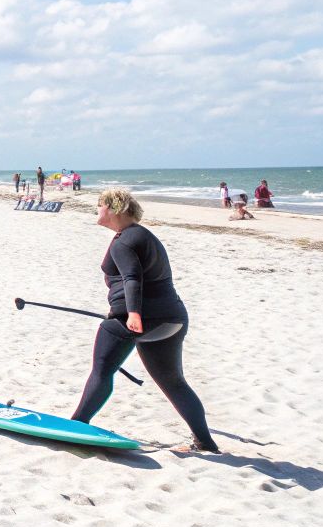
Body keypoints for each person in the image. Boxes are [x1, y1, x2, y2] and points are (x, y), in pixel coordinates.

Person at [70, 189, 219, 453]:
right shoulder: (141, 235)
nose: (97, 209)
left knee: (102, 370)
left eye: (100, 205)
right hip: (172, 318)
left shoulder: (124, 241)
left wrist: (133, 314)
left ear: (114, 208)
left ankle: (76, 425)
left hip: (138, 317)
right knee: (173, 381)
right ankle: (205, 442)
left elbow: (132, 278)